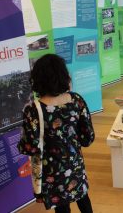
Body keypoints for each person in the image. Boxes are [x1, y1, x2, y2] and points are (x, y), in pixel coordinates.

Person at [18, 54, 95, 213]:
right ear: (64, 75)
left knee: (61, 206)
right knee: (83, 198)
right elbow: (87, 138)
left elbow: (30, 147)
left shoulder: (32, 110)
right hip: (75, 164)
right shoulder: (76, 101)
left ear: (37, 79)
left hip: (52, 171)